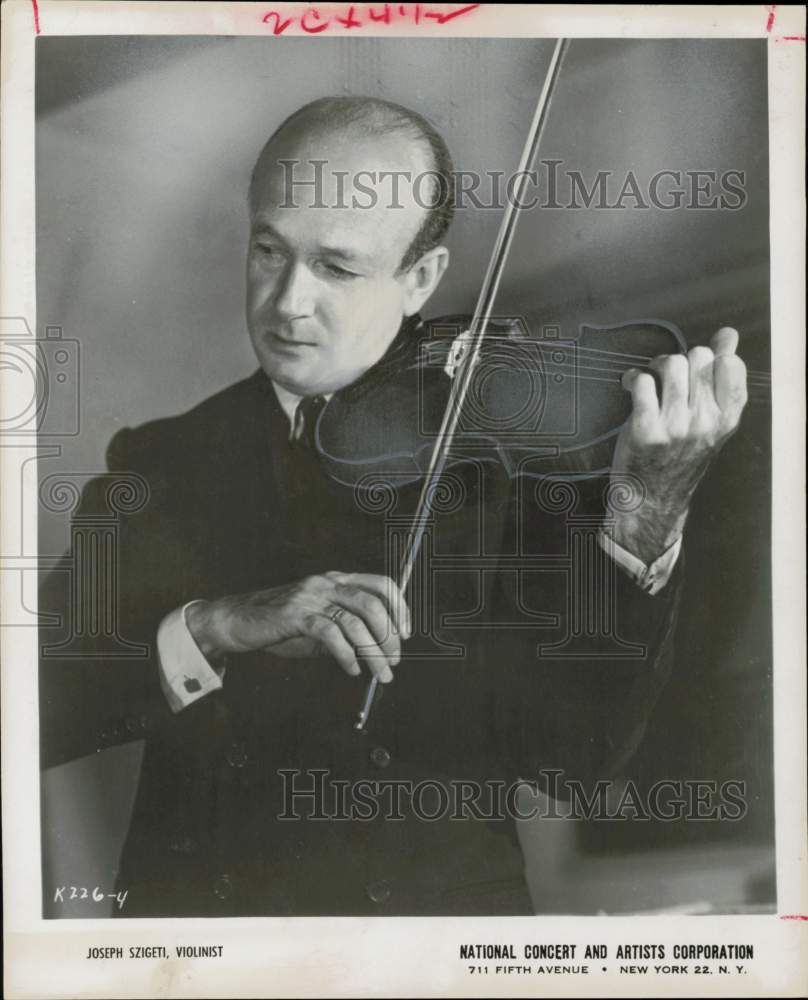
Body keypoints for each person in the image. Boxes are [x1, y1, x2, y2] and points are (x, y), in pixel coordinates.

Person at [38, 96, 748, 917]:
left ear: (421, 279)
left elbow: (576, 758)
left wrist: (647, 508)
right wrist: (213, 625)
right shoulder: (160, 462)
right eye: (270, 250)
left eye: (337, 268)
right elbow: (36, 711)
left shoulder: (507, 463)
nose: (288, 302)